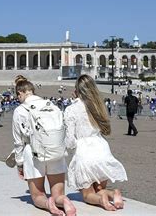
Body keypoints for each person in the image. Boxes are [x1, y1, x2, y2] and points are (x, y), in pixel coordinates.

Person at [12, 75, 76, 216]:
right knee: (58, 193)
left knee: (38, 195)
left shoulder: (20, 110)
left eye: (18, 96)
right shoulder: (51, 105)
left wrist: (20, 164)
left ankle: (48, 204)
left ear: (20, 93)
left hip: (33, 153)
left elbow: (18, 142)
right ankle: (64, 201)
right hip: (56, 151)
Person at [64, 75, 127, 211]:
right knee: (99, 188)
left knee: (87, 195)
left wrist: (71, 146)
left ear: (77, 91)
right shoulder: (98, 106)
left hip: (85, 151)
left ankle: (101, 200)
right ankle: (113, 194)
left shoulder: (71, 109)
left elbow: (70, 141)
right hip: (101, 149)